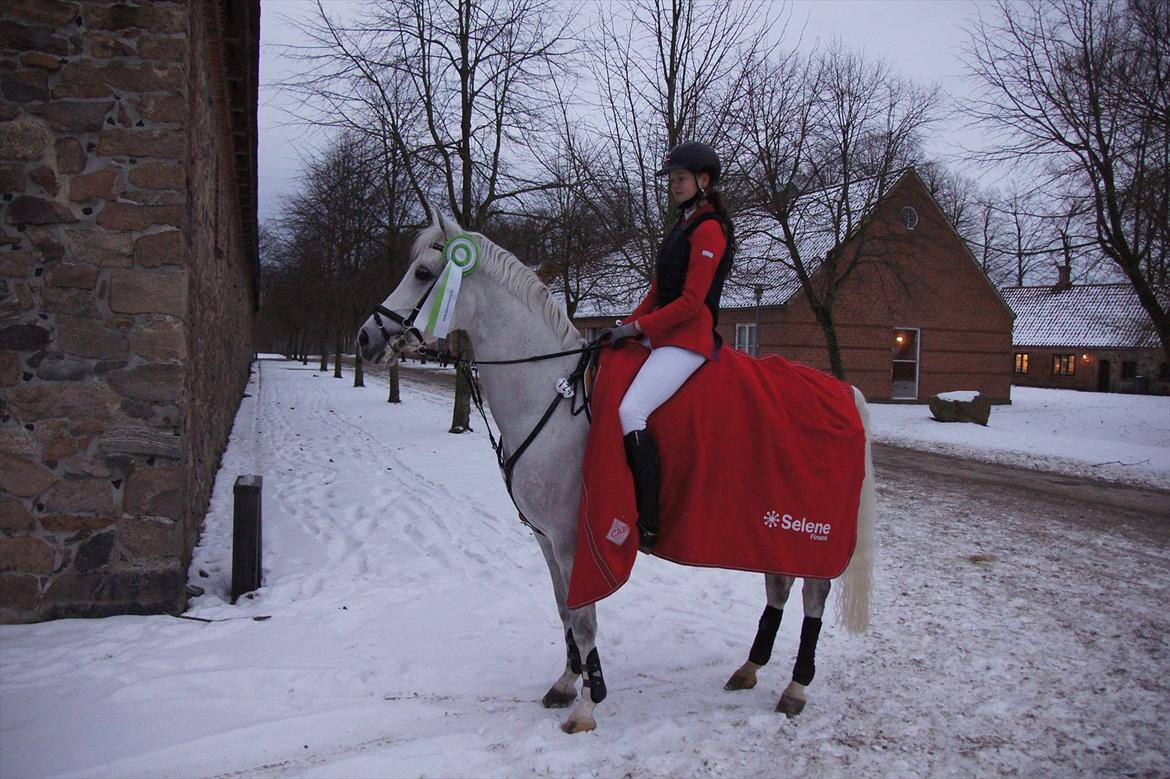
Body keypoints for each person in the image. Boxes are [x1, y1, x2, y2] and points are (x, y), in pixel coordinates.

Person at [600, 141, 735, 548]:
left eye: (680, 178)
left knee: (632, 409)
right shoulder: (682, 226)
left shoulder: (710, 229)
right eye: (671, 179)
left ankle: (650, 519)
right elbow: (658, 291)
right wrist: (625, 326)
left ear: (704, 181)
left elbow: (692, 303)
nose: (674, 186)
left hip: (688, 339)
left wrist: (640, 326)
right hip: (663, 334)